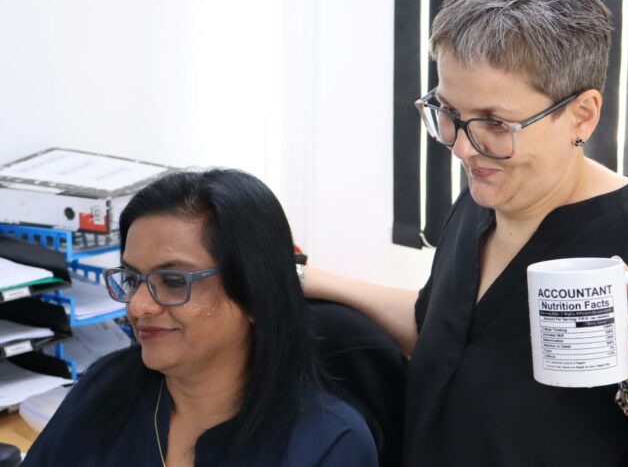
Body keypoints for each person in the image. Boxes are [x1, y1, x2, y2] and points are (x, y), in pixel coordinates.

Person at [303, 0, 628, 466]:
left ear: (582, 115)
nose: (461, 146)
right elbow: (443, 328)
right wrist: (307, 278)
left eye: (496, 124)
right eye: (449, 112)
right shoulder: (482, 203)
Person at [23, 169, 378, 467]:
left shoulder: (328, 445)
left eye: (174, 281)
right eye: (132, 279)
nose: (139, 306)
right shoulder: (105, 387)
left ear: (254, 294)